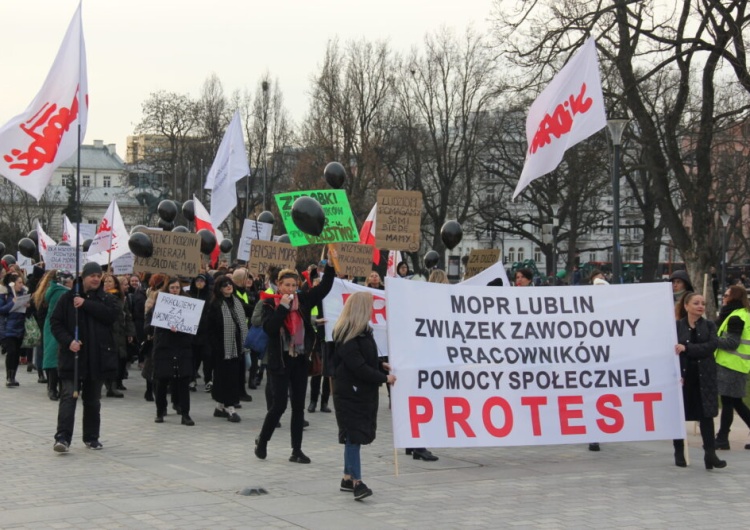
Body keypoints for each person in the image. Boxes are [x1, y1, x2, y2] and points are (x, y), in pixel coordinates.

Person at [254, 263, 335, 463]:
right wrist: (282, 306)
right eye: (287, 285)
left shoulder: (304, 300)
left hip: (299, 359)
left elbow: (324, 288)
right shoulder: (269, 303)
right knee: (279, 405)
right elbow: (270, 329)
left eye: (293, 285)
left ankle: (296, 450)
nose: (290, 289)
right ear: (279, 285)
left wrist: (331, 268)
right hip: (280, 361)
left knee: (298, 406)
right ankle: (263, 440)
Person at [332, 291, 395, 501]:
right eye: (369, 306)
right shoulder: (347, 334)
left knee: (353, 435)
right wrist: (383, 378)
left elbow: (365, 358)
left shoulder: (363, 332)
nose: (372, 310)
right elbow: (358, 366)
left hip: (359, 392)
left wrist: (379, 364)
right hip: (350, 392)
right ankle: (358, 482)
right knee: (353, 437)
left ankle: (347, 477)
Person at [50, 262, 119, 453]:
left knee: (92, 401)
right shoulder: (68, 298)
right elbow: (55, 323)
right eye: (92, 275)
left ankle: (91, 437)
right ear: (84, 277)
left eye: (99, 275)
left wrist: (86, 304)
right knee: (68, 397)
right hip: (73, 359)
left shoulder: (105, 298)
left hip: (96, 359)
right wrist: (68, 341)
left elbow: (112, 315)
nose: (96, 279)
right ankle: (62, 438)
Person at [674, 292, 726, 470]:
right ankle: (679, 450)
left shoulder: (710, 325)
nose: (700, 306)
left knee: (706, 416)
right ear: (686, 305)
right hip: (684, 377)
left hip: (705, 377)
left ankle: (710, 453)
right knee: (680, 414)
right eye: (696, 303)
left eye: (703, 303)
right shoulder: (677, 326)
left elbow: (711, 346)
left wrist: (687, 348)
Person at [151, 277, 194, 425]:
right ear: (167, 289)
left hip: (182, 346)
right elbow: (149, 322)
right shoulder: (160, 303)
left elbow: (194, 324)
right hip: (164, 346)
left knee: (183, 380)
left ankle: (185, 413)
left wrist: (182, 328)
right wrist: (165, 326)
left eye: (177, 288)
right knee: (162, 380)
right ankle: (160, 411)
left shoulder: (188, 304)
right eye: (172, 288)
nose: (175, 290)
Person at [714, 284, 750, 450]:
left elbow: (731, 343)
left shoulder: (736, 317)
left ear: (734, 297)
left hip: (731, 366)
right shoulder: (742, 314)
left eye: (726, 295)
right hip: (737, 365)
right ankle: (722, 437)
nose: (724, 298)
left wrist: (711, 340)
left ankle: (722, 438)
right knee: (734, 402)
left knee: (729, 403)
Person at [207, 275, 247, 423]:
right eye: (224, 285)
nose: (228, 286)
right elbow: (210, 329)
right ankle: (230, 408)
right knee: (224, 378)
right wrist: (216, 347)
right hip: (222, 348)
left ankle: (219, 407)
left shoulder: (237, 301)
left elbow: (247, 313)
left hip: (236, 347)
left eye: (229, 284)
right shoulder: (215, 305)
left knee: (232, 377)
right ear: (219, 288)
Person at [40, 270, 74, 400]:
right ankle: (54, 388)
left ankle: (52, 387)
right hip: (59, 326)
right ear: (66, 282)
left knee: (52, 356)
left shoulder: (53, 290)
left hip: (51, 326)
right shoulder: (63, 293)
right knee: (55, 357)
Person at [102, 273, 136, 398]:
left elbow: (127, 316)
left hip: (119, 333)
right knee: (107, 359)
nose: (107, 284)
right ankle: (109, 385)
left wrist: (130, 332)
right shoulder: (101, 297)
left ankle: (113, 385)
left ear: (115, 284)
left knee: (117, 359)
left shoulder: (121, 298)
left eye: (110, 281)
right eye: (105, 281)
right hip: (106, 332)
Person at [0, 273, 30, 387]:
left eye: (22, 282)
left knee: (16, 353)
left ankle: (13, 376)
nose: (21, 285)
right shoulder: (5, 294)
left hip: (20, 327)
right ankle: (9, 377)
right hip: (8, 328)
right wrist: (13, 303)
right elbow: (1, 309)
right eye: (19, 282)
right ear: (13, 283)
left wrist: (27, 305)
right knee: (11, 352)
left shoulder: (23, 293)